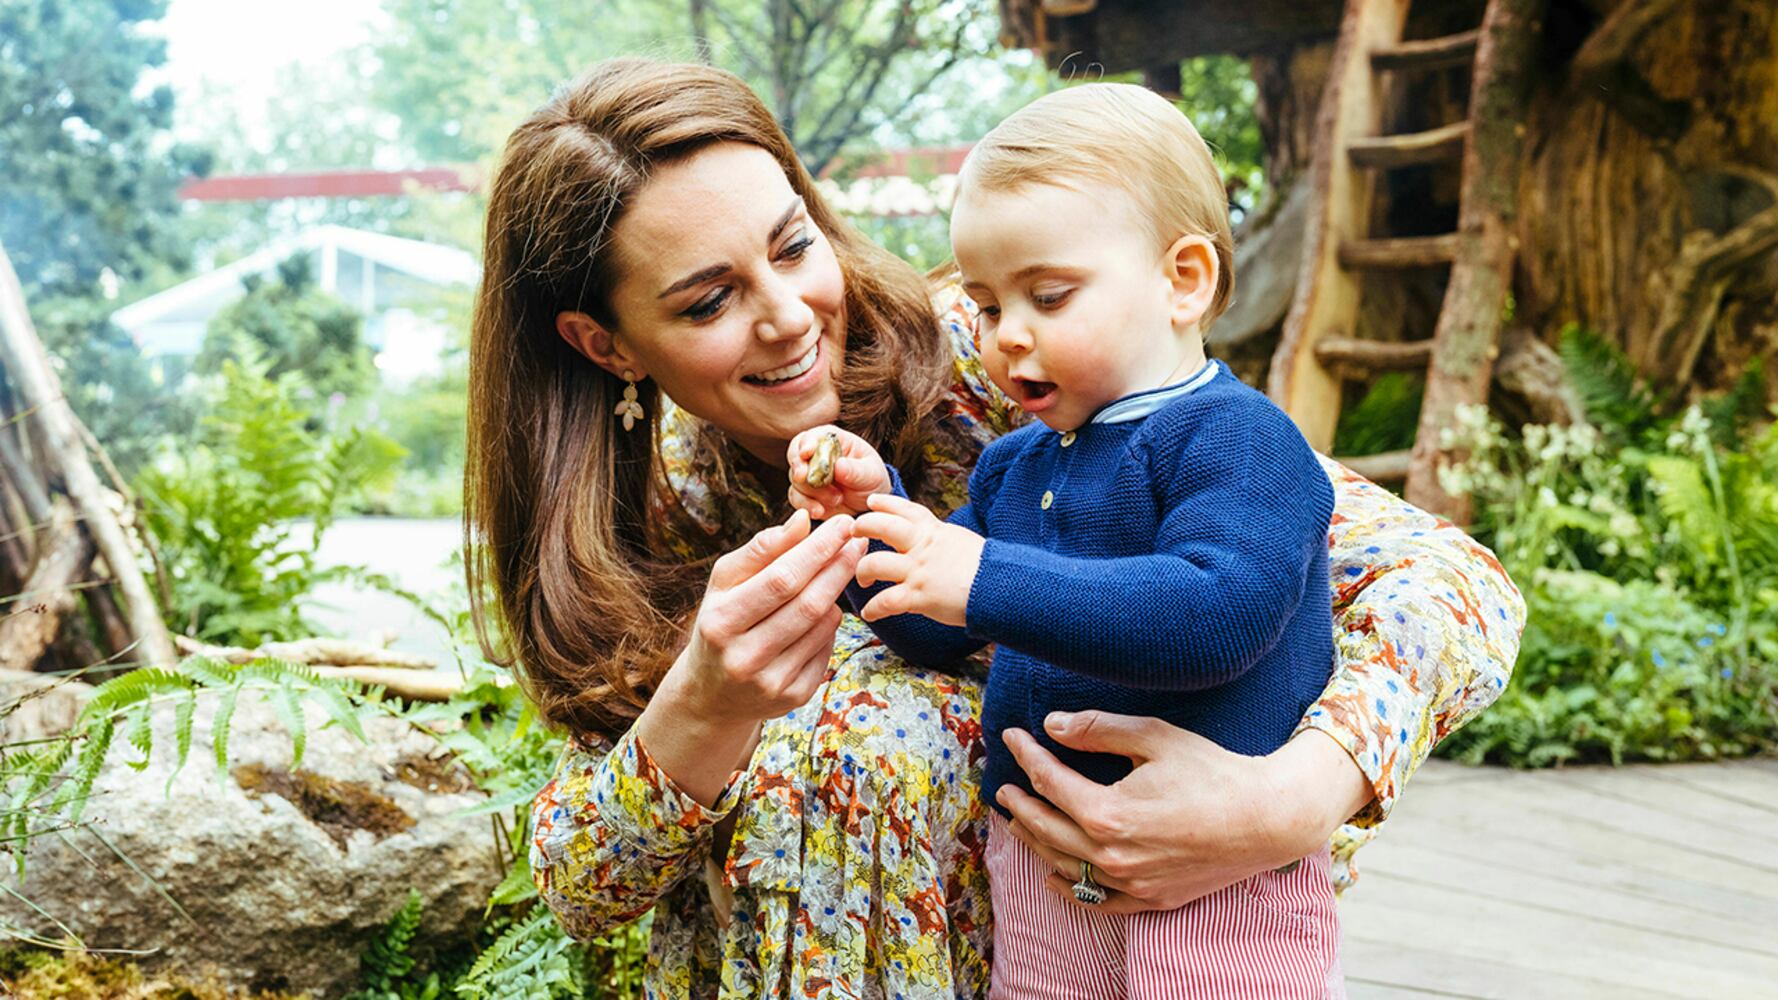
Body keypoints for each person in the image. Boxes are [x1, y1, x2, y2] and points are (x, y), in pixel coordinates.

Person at [468, 57, 1525, 1000]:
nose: (788, 314)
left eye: (793, 246)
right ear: (605, 345)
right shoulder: (646, 527)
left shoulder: (1023, 365)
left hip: (1166, 934)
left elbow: (1452, 582)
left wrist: (1291, 799)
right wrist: (703, 706)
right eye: (707, 302)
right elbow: (582, 884)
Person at [788, 83, 1343, 998]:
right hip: (1042, 862)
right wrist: (864, 520)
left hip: (1215, 877)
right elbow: (932, 623)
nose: (1009, 336)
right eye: (989, 305)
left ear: (1183, 279)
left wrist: (982, 578)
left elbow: (1218, 614)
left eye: (1048, 295)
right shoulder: (1015, 466)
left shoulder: (1239, 439)